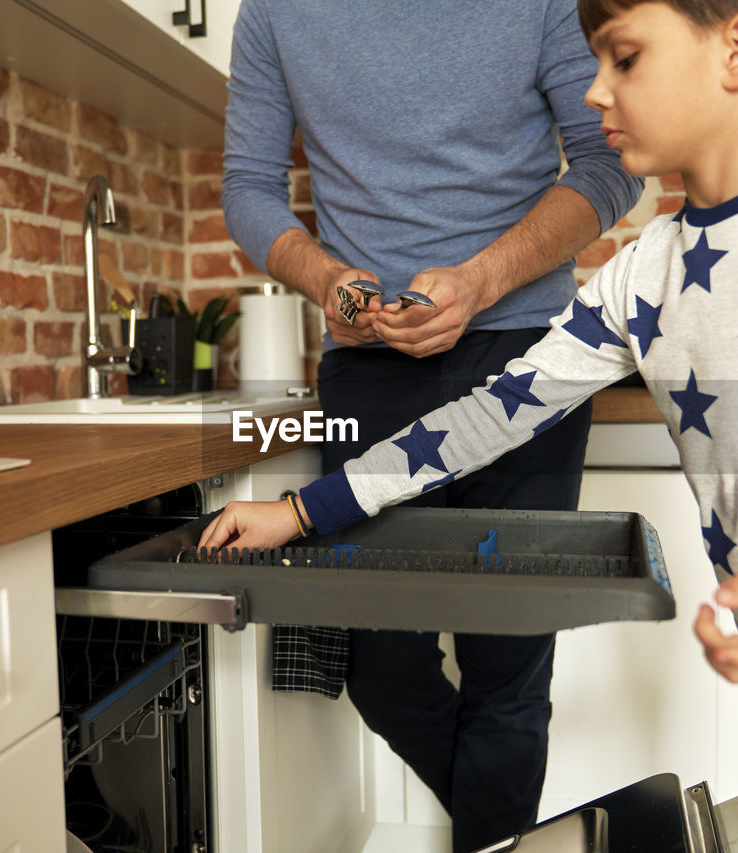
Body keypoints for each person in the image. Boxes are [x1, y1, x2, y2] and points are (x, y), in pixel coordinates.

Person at [208, 0, 738, 849]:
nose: (594, 92)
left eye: (624, 59)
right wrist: (306, 512)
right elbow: (485, 415)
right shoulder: (645, 274)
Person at [221, 1, 644, 850]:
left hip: (527, 359)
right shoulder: (273, 10)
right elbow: (247, 188)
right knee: (380, 668)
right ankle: (521, 839)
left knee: (508, 669)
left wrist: (484, 280)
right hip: (368, 364)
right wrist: (328, 277)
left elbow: (612, 162)